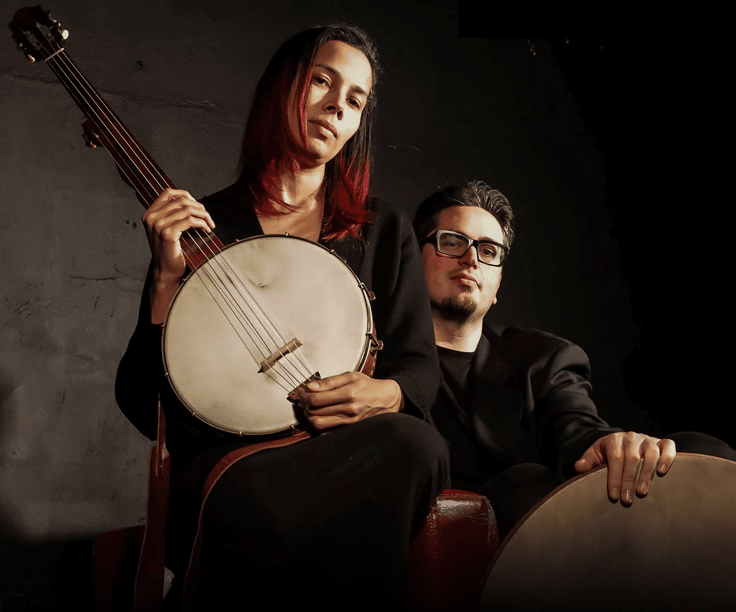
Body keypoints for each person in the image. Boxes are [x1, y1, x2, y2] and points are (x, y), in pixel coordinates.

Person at [115, 25, 449, 610]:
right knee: (264, 505)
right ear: (281, 87)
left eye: (355, 100)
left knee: (419, 445)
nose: (337, 107)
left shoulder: (383, 228)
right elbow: (144, 405)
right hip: (234, 465)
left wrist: (386, 394)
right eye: (322, 81)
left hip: (348, 451)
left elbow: (420, 365)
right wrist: (167, 281)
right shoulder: (200, 228)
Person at [413, 180, 736, 539]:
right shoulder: (379, 361)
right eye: (452, 242)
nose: (471, 259)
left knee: (704, 452)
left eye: (488, 250)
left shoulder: (543, 356)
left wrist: (611, 444)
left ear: (498, 282)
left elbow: (575, 427)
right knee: (526, 482)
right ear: (412, 260)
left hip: (576, 530)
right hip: (503, 527)